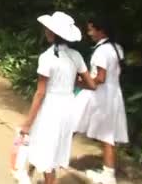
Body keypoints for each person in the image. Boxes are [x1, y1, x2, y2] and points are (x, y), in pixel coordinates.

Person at [19, 11, 96, 184]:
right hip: (68, 107)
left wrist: (27, 123)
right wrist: (73, 83)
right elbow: (91, 85)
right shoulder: (76, 56)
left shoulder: (46, 58)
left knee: (47, 156)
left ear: (53, 33)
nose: (45, 31)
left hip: (51, 108)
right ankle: (29, 174)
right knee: (53, 151)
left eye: (48, 29)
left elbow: (40, 93)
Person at [73, 17, 129, 184]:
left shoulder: (101, 51)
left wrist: (79, 82)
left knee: (72, 121)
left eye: (91, 29)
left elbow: (100, 78)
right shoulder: (117, 48)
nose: (89, 33)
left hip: (97, 95)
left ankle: (55, 155)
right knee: (108, 135)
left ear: (101, 30)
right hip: (113, 95)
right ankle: (108, 174)